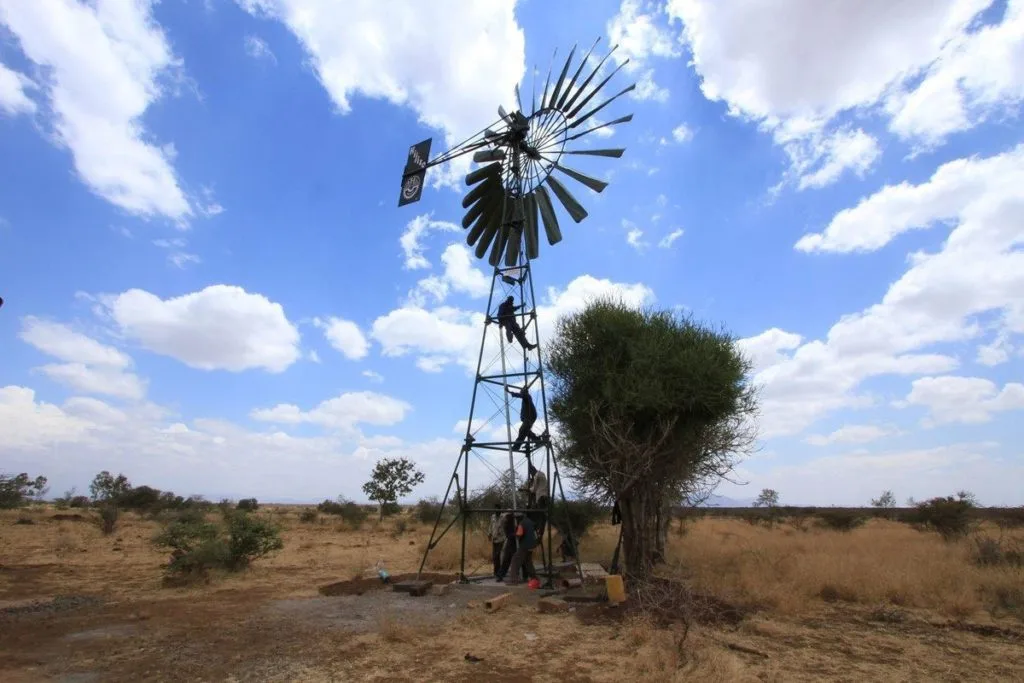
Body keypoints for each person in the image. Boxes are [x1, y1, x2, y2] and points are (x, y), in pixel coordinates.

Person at [506, 385, 542, 452]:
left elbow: (520, 395)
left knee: (522, 430)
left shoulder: (526, 396)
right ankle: (537, 440)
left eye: (521, 391)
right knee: (526, 431)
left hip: (529, 417)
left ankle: (516, 446)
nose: (520, 392)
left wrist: (509, 392)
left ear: (524, 391)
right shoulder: (526, 397)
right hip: (529, 417)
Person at [507, 513, 538, 585]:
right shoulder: (530, 522)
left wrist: (513, 534)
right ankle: (534, 578)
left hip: (525, 545)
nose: (516, 520)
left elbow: (519, 534)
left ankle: (513, 580)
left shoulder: (522, 523)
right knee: (528, 562)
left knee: (515, 560)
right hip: (532, 545)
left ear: (519, 518)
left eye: (517, 518)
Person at [488, 511, 506, 578]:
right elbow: (490, 526)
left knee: (499, 555)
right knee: (495, 557)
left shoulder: (503, 517)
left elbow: (505, 527)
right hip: (494, 539)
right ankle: (496, 572)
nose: (496, 512)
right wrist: (489, 534)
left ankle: (499, 572)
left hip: (501, 539)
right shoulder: (493, 517)